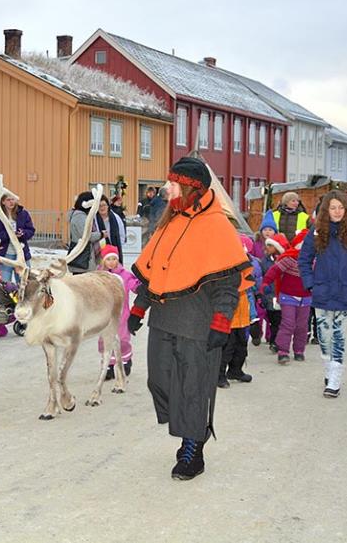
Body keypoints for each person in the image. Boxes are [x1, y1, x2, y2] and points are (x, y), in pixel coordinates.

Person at [129, 156, 248, 481]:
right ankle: (190, 427)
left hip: (197, 323)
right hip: (163, 318)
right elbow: (155, 270)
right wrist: (139, 308)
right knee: (159, 381)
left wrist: (221, 322)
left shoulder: (217, 225)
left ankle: (193, 447)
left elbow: (228, 283)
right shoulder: (171, 221)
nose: (167, 190)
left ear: (191, 188)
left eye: (173, 184)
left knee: (193, 387)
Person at [298, 190, 347, 398]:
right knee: (324, 337)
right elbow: (304, 259)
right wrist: (310, 284)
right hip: (321, 291)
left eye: (341, 207)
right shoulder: (316, 231)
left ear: (346, 209)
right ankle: (329, 367)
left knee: (339, 336)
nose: (337, 211)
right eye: (333, 208)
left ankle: (335, 378)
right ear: (326, 210)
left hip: (345, 291)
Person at [263, 229, 312, 364]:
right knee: (288, 324)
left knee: (302, 326)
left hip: (306, 298)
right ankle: (283, 351)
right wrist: (266, 282)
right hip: (288, 296)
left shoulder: (314, 261)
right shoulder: (290, 259)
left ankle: (299, 350)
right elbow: (275, 270)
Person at [217, 235, 259, 386]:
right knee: (226, 348)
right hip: (229, 319)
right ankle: (219, 374)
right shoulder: (226, 272)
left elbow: (251, 296)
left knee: (241, 347)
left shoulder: (247, 273)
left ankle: (236, 370)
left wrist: (253, 318)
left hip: (243, 318)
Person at [97, 245, 140, 380]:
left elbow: (134, 285)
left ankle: (125, 361)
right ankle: (108, 364)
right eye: (108, 259)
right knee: (105, 339)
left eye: (114, 259)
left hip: (122, 315)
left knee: (122, 339)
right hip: (105, 315)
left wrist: (139, 286)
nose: (111, 262)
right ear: (103, 261)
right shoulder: (99, 276)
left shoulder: (124, 275)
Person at [0, 191, 34, 285]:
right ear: (3, 202)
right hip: (5, 255)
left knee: (24, 283)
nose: (11, 202)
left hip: (22, 254)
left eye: (13, 199)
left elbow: (31, 230)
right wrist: (8, 235)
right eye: (8, 200)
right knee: (4, 284)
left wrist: (23, 234)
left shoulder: (23, 214)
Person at [259, 233, 288, 352]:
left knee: (281, 321)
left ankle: (276, 343)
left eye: (271, 245)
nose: (268, 248)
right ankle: (274, 341)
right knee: (273, 320)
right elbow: (261, 276)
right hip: (270, 295)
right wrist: (263, 290)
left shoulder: (286, 260)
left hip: (283, 294)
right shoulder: (264, 261)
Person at [67, 191, 102, 274]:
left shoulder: (81, 215)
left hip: (83, 256)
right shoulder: (80, 216)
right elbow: (86, 236)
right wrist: (101, 234)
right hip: (83, 257)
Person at [96, 195, 126, 260]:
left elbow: (122, 234)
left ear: (108, 206)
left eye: (104, 205)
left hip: (114, 252)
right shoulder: (94, 219)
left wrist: (117, 247)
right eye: (99, 206)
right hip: (98, 252)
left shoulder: (116, 218)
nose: (102, 208)